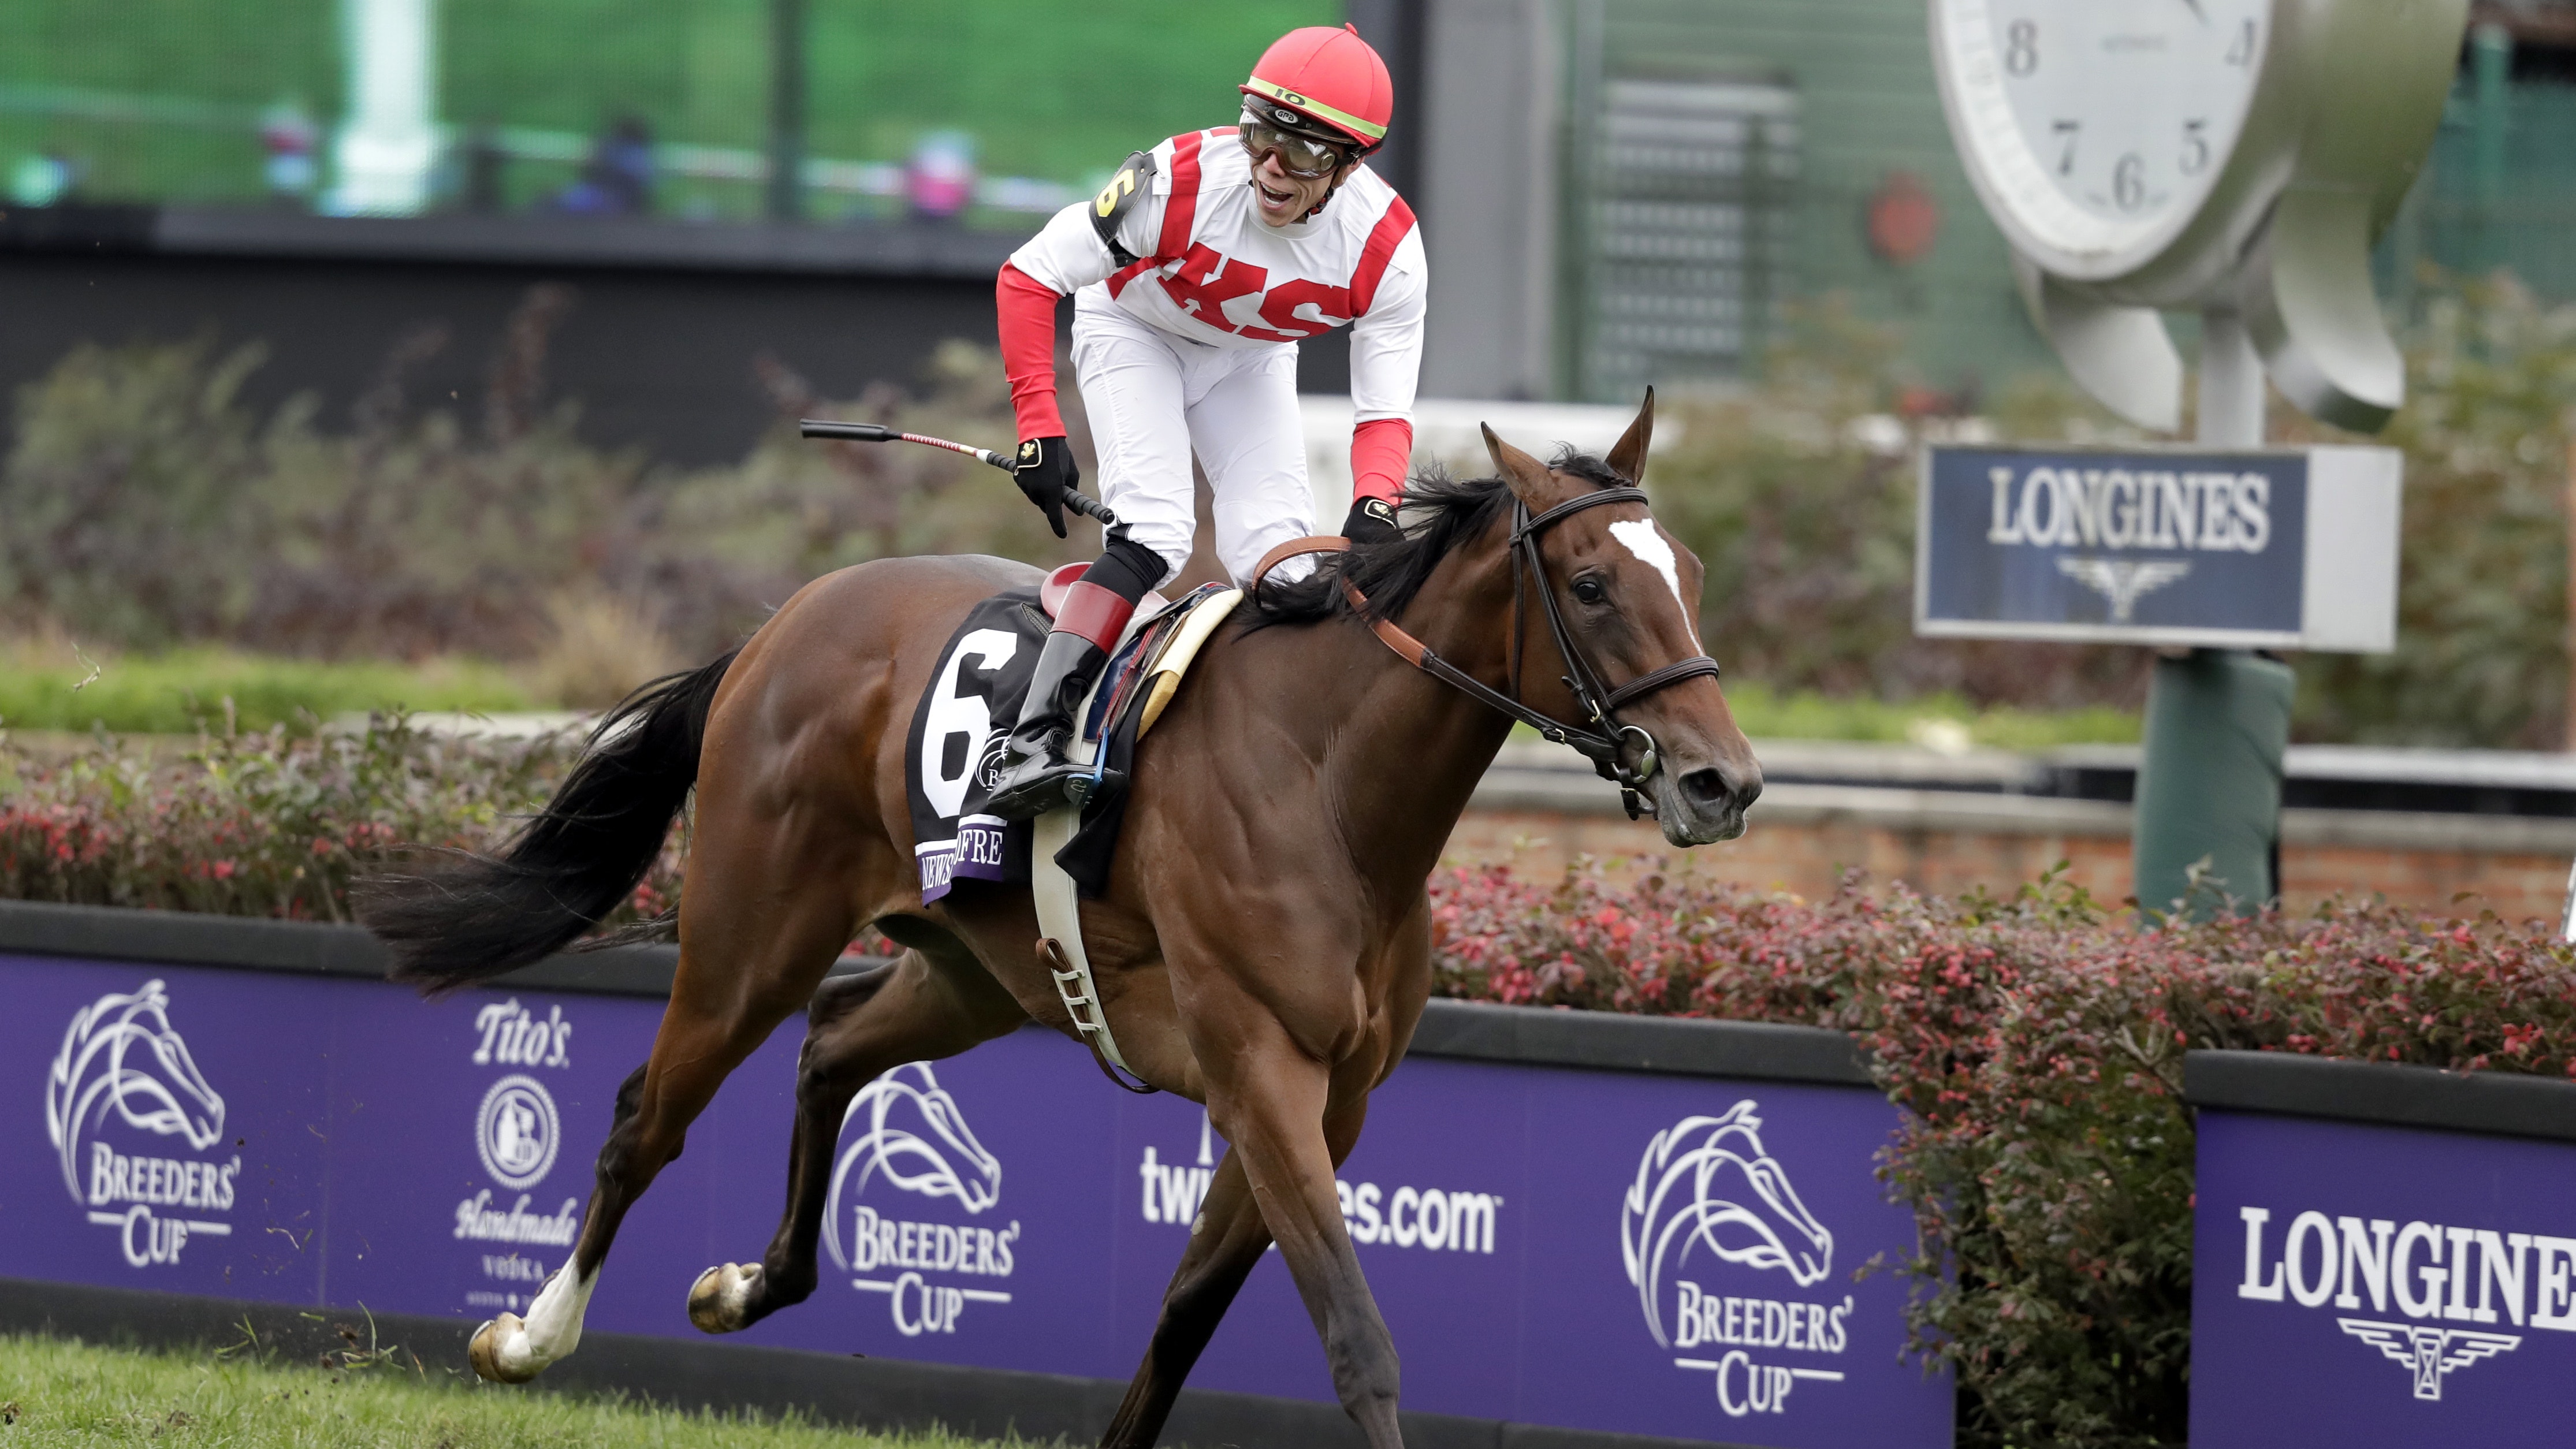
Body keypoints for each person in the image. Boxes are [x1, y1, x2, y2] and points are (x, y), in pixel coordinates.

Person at [983, 23, 1426, 820]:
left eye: (1303, 153)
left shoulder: (1387, 248)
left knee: (1286, 566)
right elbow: (1026, 277)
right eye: (1262, 133)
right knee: (1156, 533)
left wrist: (1376, 504)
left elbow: (1385, 409)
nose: (1270, 167)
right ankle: (1030, 739)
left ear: (1352, 165)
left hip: (1251, 358)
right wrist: (1038, 424)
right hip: (1135, 329)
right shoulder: (1178, 180)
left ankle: (1282, 751)